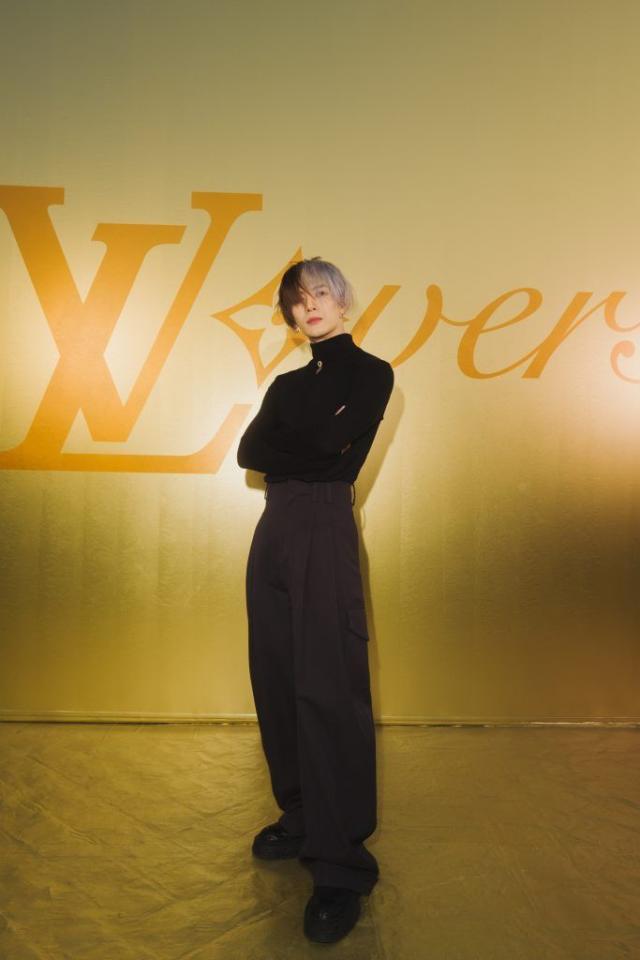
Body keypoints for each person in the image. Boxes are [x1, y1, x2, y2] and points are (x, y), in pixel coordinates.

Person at [237, 256, 394, 943]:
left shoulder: (373, 373)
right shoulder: (286, 383)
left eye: (322, 294)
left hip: (325, 522)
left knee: (329, 686)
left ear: (343, 301)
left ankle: (339, 863)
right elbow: (250, 452)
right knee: (276, 676)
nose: (311, 308)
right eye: (299, 301)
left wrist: (291, 450)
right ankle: (299, 811)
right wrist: (296, 450)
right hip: (273, 528)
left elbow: (334, 446)